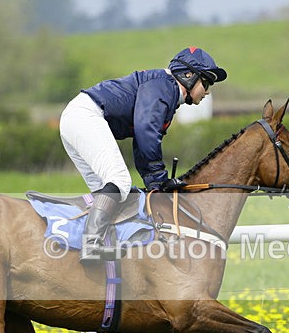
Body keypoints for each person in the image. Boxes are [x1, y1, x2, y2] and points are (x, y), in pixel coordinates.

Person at [59, 47, 227, 263]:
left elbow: (142, 140)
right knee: (119, 181)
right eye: (206, 83)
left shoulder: (166, 91)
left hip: (76, 117)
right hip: (85, 115)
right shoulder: (165, 87)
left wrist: (156, 184)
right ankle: (91, 246)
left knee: (109, 193)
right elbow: (146, 131)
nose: (207, 91)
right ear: (189, 76)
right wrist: (159, 180)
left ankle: (101, 247)